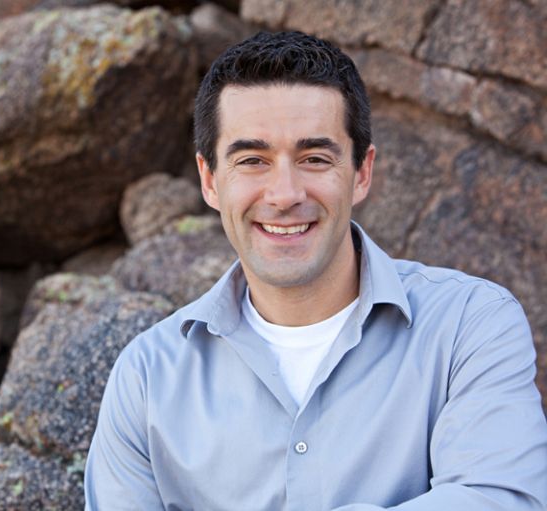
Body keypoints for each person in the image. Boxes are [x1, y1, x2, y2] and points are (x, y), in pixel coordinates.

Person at [84, 30, 547, 510]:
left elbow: (501, 500)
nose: (285, 194)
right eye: (252, 160)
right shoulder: (146, 378)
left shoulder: (470, 326)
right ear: (210, 180)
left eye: (314, 159)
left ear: (361, 172)